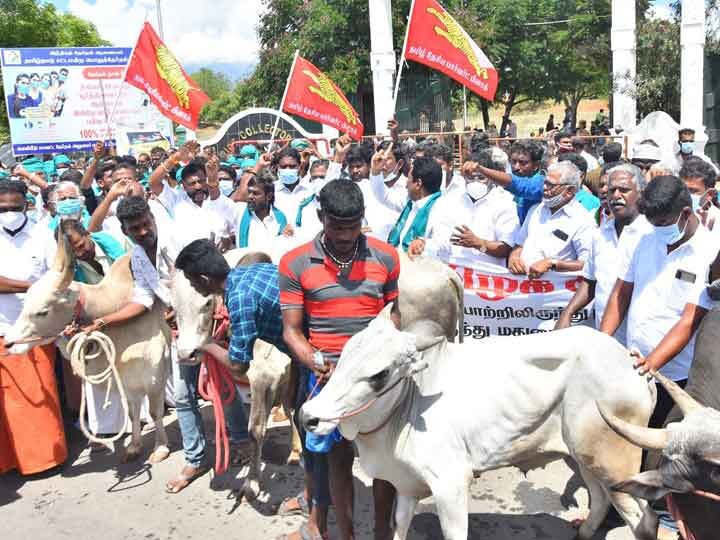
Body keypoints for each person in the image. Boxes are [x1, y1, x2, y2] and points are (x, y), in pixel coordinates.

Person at [279, 179, 400, 540]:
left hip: (376, 380)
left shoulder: (386, 256)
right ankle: (344, 533)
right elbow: (291, 331)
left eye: (353, 226)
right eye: (337, 226)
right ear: (320, 217)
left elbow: (394, 316)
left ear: (363, 217)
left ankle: (382, 531)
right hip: (326, 377)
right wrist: (314, 361)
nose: (346, 235)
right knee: (336, 460)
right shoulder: (295, 262)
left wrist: (382, 360)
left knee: (382, 463)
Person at [600, 175, 718, 433]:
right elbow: (621, 292)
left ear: (685, 213)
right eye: (653, 224)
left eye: (663, 223)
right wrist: (602, 343)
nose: (657, 229)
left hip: (678, 377)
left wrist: (651, 365)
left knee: (666, 449)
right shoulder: (643, 238)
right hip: (634, 365)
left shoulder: (709, 252)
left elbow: (690, 319)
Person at [0, 179, 67, 475]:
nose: (10, 212)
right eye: (3, 208)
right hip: (3, 327)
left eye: (15, 206)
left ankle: (44, 459)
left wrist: (43, 292)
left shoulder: (41, 234)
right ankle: (10, 460)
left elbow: (57, 275)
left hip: (38, 331)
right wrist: (32, 286)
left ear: (26, 205)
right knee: (9, 401)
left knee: (42, 396)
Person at [556, 164, 650, 342]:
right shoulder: (600, 234)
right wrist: (567, 313)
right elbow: (590, 281)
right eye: (612, 190)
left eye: (624, 190)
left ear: (641, 193)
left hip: (640, 343)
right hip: (605, 339)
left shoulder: (651, 235)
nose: (616, 196)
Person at [432, 149, 519, 268]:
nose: (475, 182)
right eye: (471, 178)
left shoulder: (504, 203)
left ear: (491, 178)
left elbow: (505, 249)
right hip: (452, 270)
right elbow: (440, 238)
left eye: (481, 178)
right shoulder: (451, 200)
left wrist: (478, 244)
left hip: (486, 275)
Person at [509, 161, 594, 278]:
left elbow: (588, 263)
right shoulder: (535, 210)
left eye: (551, 185)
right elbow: (520, 244)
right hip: (524, 287)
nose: (544, 188)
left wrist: (553, 264)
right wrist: (514, 256)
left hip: (556, 292)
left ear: (569, 191)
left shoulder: (583, 220)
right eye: (545, 182)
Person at [149, 143, 236, 249]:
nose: (198, 186)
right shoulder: (177, 201)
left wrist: (227, 241)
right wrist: (175, 158)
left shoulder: (222, 201)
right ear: (183, 186)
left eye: (201, 181)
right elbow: (154, 182)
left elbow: (236, 233)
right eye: (192, 183)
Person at [384, 156, 444, 258]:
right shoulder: (411, 203)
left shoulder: (440, 209)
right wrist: (375, 173)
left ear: (418, 184)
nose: (406, 183)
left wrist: (423, 243)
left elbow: (442, 244)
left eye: (409, 178)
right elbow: (384, 197)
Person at [472, 139, 545, 223]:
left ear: (536, 165)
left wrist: (480, 169)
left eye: (523, 163)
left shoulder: (540, 182)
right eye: (513, 161)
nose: (516, 167)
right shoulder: (505, 180)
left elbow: (521, 186)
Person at [235, 172, 288, 252]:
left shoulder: (280, 218)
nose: (250, 196)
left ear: (269, 196)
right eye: (249, 192)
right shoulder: (239, 212)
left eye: (255, 193)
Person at [269, 147, 313, 220]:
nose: (288, 169)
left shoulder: (311, 189)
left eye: (292, 166)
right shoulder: (270, 190)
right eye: (283, 167)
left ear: (299, 166)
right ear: (277, 167)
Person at [679, 157, 720, 236]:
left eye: (693, 191)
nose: (685, 194)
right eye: (682, 189)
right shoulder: (669, 218)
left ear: (709, 194)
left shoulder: (717, 224)